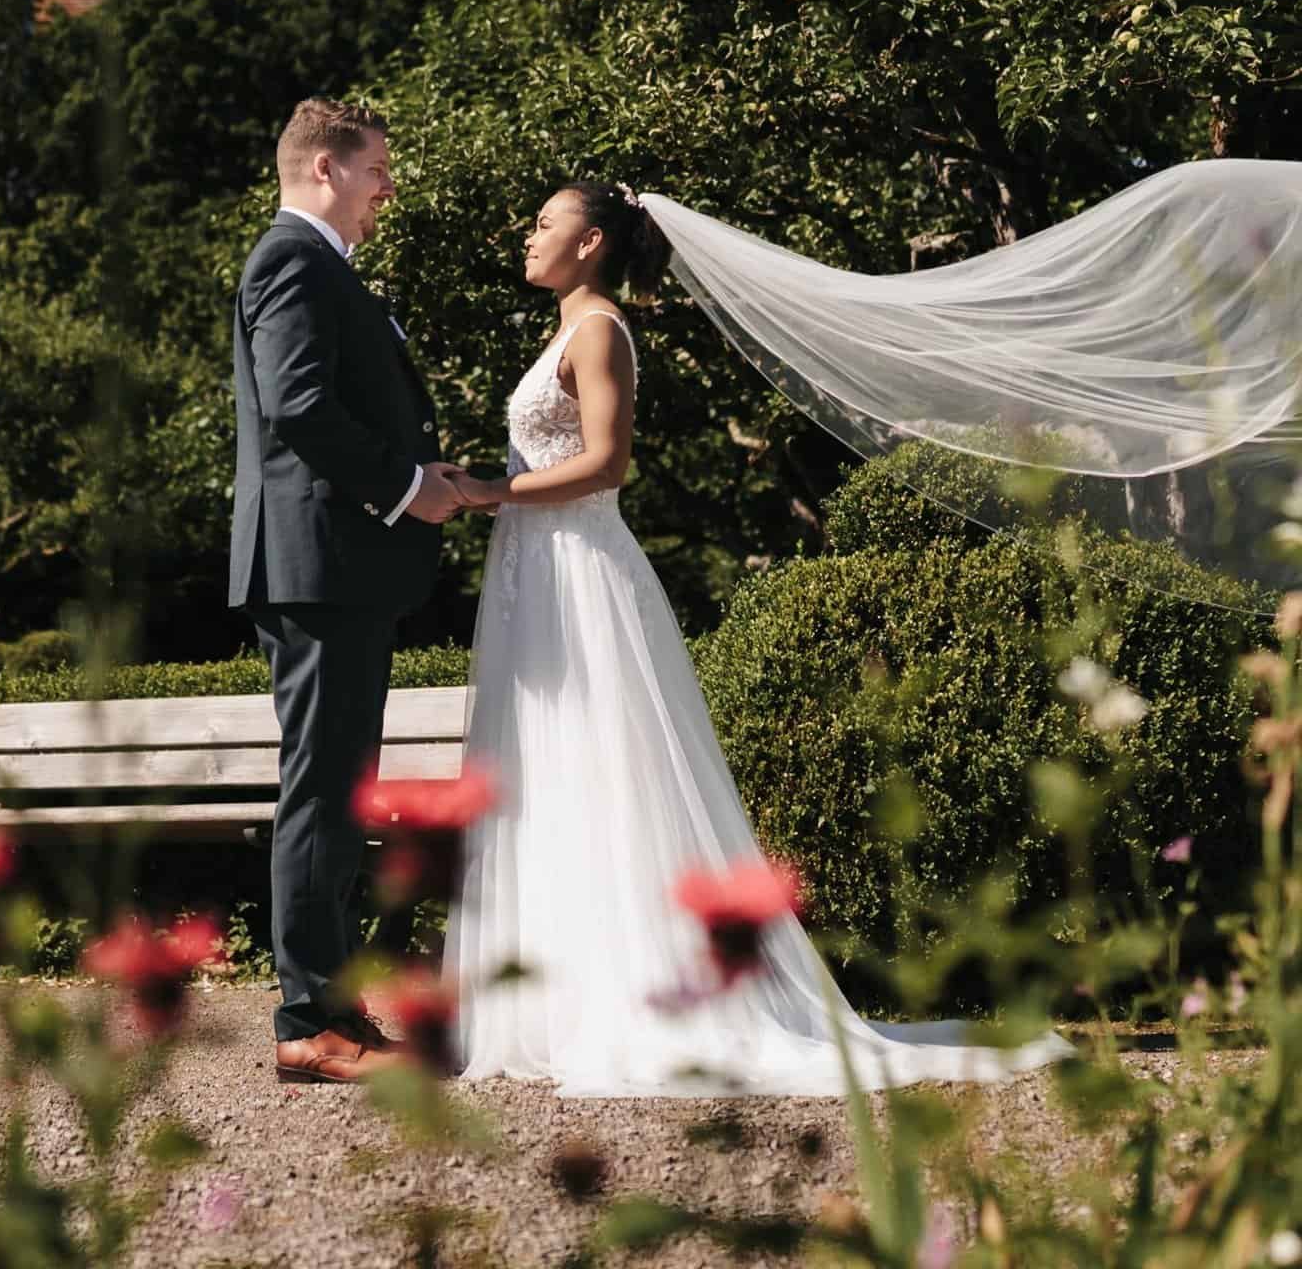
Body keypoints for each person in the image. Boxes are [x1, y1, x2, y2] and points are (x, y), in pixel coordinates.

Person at [443, 181, 1070, 1096]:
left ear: (592, 242)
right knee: (549, 764)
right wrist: (482, 488)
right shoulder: (565, 330)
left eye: (546, 222)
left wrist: (487, 493)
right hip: (535, 568)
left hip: (579, 568)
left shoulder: (600, 330)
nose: (529, 234)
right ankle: (557, 998)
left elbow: (606, 465)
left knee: (598, 760)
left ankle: (635, 996)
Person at [230, 97, 465, 1086]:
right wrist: (408, 488)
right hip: (316, 566)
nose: (388, 189)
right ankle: (307, 1021)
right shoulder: (293, 260)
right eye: (377, 169)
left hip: (333, 567)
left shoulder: (321, 265)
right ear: (325, 168)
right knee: (321, 791)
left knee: (334, 788)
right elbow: (297, 405)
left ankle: (333, 1010)